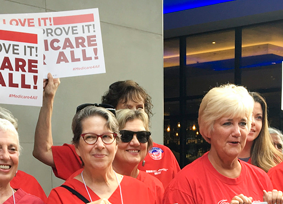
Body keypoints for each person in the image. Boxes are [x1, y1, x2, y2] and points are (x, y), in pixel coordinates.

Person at [33, 77, 181, 187]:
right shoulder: (95, 151)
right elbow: (43, 151)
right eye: (127, 107)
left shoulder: (163, 155)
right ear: (111, 113)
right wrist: (48, 98)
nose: (134, 112)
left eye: (140, 107)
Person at [162, 84, 283, 204]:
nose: (237, 132)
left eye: (243, 123)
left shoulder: (261, 178)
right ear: (208, 129)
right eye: (227, 123)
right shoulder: (184, 184)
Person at [45, 106, 155, 204]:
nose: (100, 145)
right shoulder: (60, 198)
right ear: (77, 148)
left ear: (116, 144)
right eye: (90, 137)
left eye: (106, 137)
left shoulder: (141, 191)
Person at [113, 109, 164, 204]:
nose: (135, 142)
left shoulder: (155, 186)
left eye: (142, 136)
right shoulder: (92, 184)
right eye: (126, 136)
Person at [237, 92, 283, 171]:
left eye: (258, 117)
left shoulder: (274, 160)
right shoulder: (219, 157)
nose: (253, 122)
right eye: (247, 116)